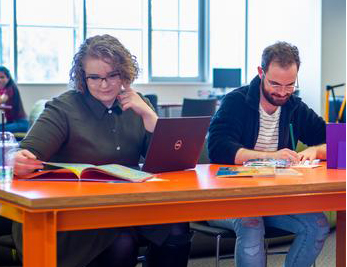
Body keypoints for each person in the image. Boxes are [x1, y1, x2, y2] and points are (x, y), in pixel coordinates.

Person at [12, 34, 191, 267]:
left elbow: (174, 160)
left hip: (128, 206)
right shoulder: (64, 108)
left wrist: (150, 116)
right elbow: (27, 151)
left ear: (124, 73)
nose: (104, 85)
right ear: (82, 77)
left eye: (112, 75)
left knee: (176, 229)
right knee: (121, 243)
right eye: (94, 77)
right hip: (74, 214)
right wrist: (19, 159)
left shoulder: (138, 103)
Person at [207, 41, 330, 267]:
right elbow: (217, 148)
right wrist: (269, 156)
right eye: (275, 84)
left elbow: (340, 143)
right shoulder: (236, 102)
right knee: (251, 225)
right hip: (227, 197)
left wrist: (315, 150)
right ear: (261, 72)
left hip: (272, 198)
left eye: (290, 85)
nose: (282, 92)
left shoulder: (293, 106)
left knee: (318, 225)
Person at [0, 66, 29, 133]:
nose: (0, 80)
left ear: (8, 78)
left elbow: (1, 100)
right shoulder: (3, 89)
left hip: (20, 123)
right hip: (12, 123)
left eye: (2, 77)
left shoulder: (10, 88)